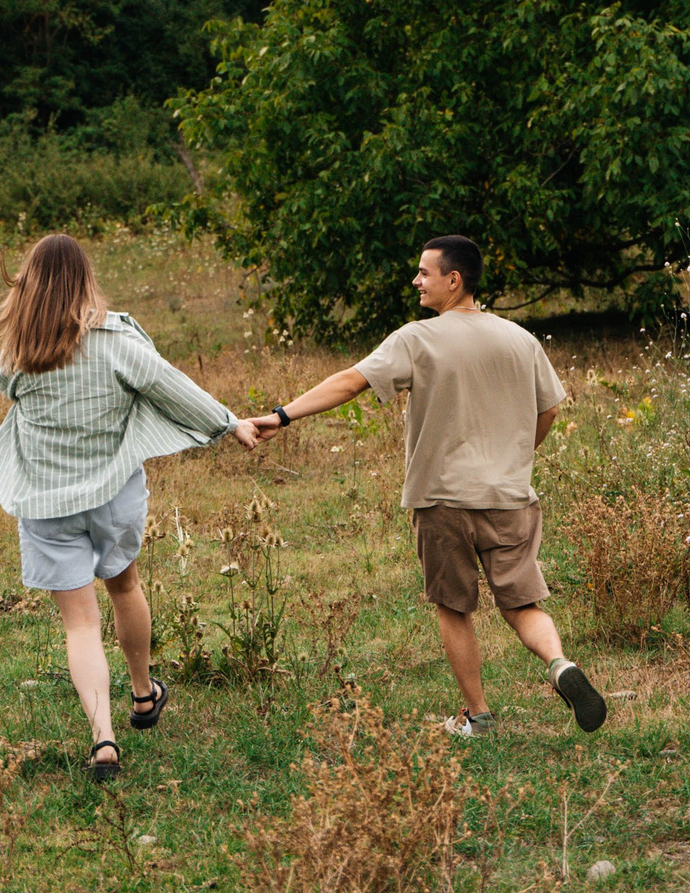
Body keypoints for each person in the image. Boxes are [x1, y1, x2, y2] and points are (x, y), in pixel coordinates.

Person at [250, 235, 604, 738]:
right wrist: (513, 456)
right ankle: (560, 664)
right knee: (522, 605)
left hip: (443, 500)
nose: (416, 281)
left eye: (424, 272)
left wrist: (281, 416)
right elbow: (548, 409)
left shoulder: (417, 339)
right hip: (509, 497)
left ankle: (478, 716)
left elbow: (350, 382)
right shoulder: (520, 339)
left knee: (453, 607)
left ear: (453, 280)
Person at [0, 233, 258, 781]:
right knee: (125, 587)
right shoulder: (116, 341)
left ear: (30, 285)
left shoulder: (19, 353)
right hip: (113, 495)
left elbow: (5, 387)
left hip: (47, 502)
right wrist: (229, 423)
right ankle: (144, 694)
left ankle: (103, 738)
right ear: (85, 281)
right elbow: (172, 386)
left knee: (80, 624)